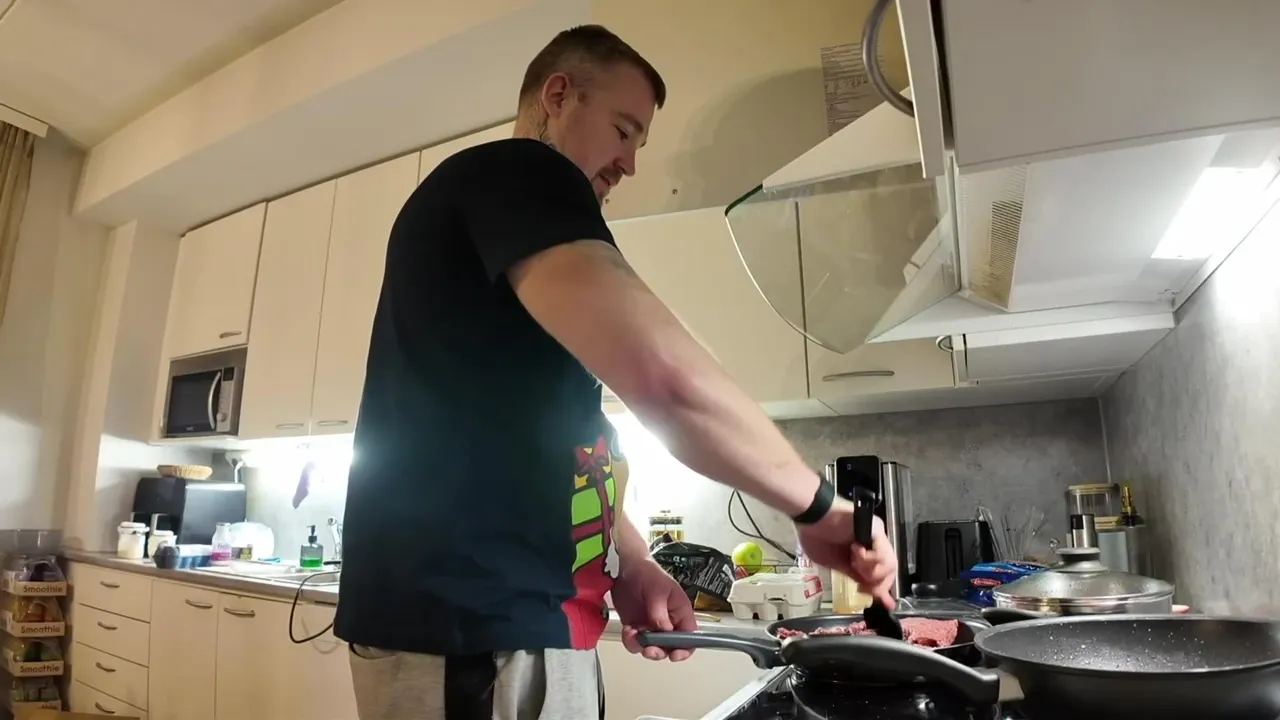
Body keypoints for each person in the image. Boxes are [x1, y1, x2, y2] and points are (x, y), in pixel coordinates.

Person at [334, 24, 898, 720]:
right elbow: (663, 375)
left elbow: (559, 439)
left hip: (516, 627)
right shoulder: (520, 170)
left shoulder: (510, 234)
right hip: (474, 630)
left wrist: (629, 561)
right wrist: (820, 508)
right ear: (558, 96)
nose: (629, 163)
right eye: (623, 130)